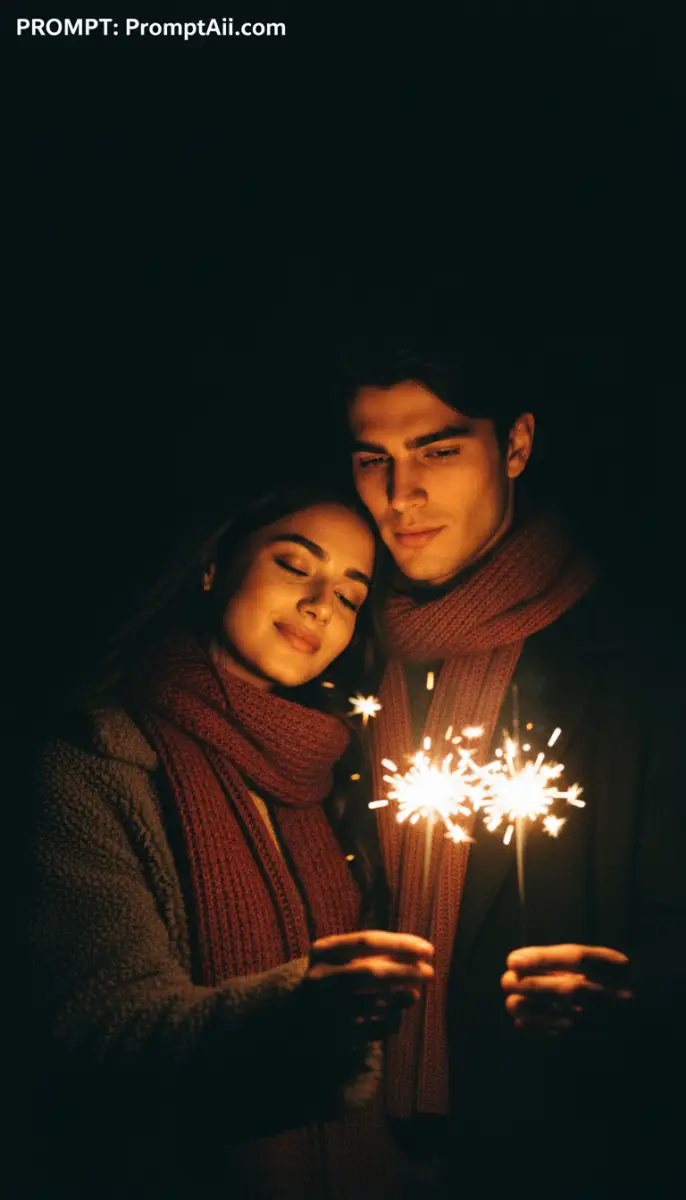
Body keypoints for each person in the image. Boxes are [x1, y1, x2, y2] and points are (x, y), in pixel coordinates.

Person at [338, 330, 686, 1195]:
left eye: (438, 450)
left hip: (565, 1148)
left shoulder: (639, 663)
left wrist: (637, 992)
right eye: (371, 459)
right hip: (345, 1147)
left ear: (518, 444)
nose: (400, 494)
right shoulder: (336, 645)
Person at [26, 486, 436, 1199]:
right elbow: (97, 1036)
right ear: (214, 565)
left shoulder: (327, 787)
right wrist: (298, 1015)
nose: (320, 604)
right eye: (294, 564)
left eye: (348, 595)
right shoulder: (94, 765)